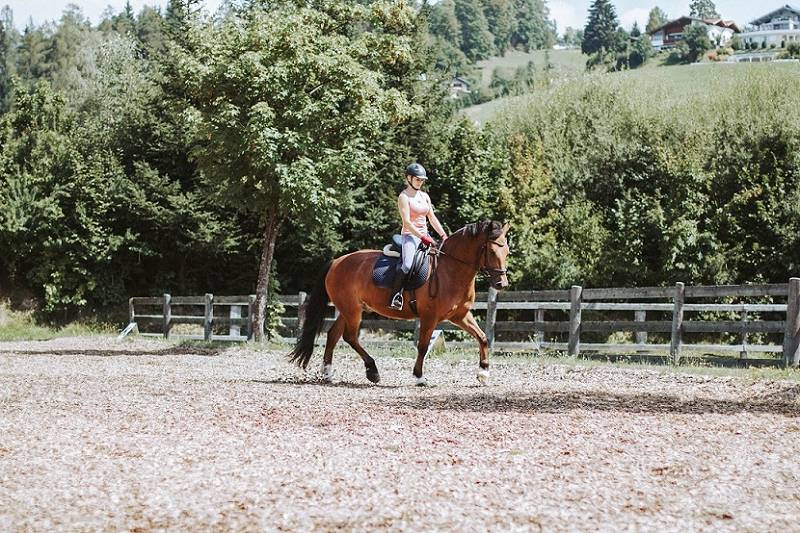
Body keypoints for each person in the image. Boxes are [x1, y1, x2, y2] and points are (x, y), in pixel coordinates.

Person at [389, 162, 448, 310]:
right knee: (407, 265)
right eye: (417, 179)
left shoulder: (424, 196)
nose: (420, 182)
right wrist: (421, 237)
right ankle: (395, 296)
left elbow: (432, 218)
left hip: (425, 235)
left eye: (422, 180)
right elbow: (407, 222)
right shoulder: (404, 197)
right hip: (410, 236)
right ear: (409, 178)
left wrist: (443, 235)